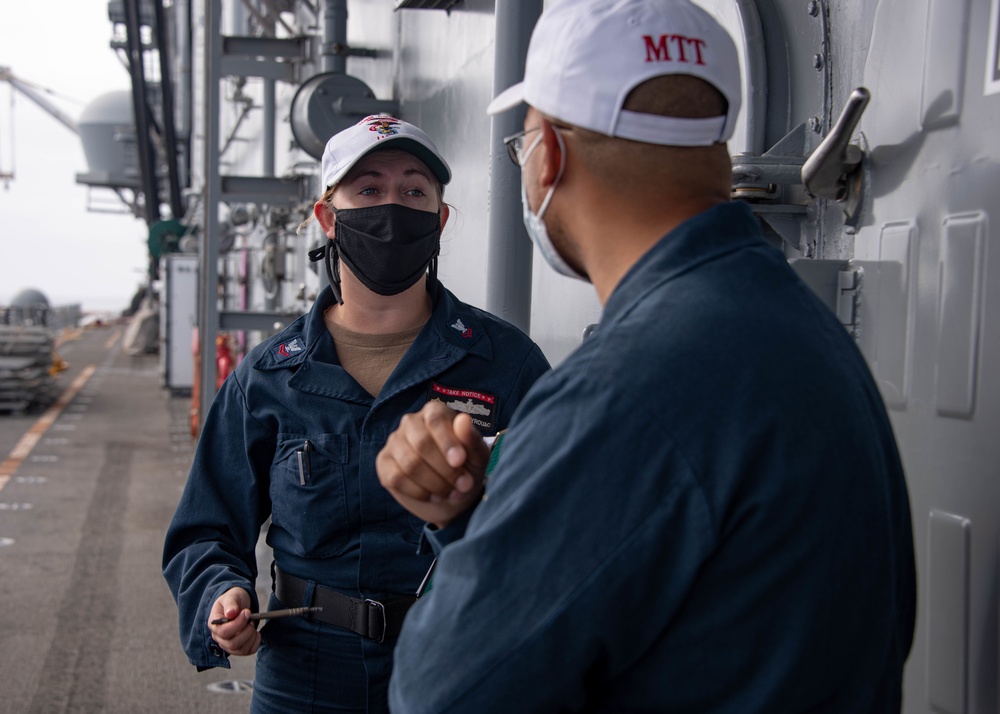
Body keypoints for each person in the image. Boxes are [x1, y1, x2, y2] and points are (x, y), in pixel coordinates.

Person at [375, 1, 917, 711]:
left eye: (524, 144)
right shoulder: (798, 328)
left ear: (550, 157)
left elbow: (445, 693)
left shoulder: (624, 393)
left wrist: (480, 536)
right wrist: (473, 512)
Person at [162, 114, 550, 713]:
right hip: (306, 674)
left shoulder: (506, 364)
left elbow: (558, 525)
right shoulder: (268, 377)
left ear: (440, 221)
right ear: (327, 217)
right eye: (368, 190)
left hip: (462, 661)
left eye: (414, 191)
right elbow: (206, 527)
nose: (392, 207)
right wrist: (222, 593)